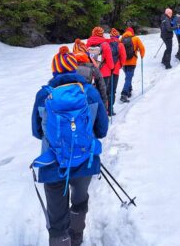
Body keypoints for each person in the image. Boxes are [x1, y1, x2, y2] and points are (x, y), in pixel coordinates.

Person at [31, 48, 109, 246]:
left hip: (54, 163)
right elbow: (101, 130)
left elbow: (37, 132)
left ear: (54, 72)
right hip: (85, 161)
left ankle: (61, 239)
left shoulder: (44, 95)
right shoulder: (89, 92)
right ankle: (77, 237)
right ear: (74, 68)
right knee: (80, 200)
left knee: (57, 218)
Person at [85, 27, 115, 115]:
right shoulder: (105, 44)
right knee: (104, 93)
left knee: (94, 93)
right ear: (102, 34)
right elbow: (109, 59)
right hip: (105, 73)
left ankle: (93, 112)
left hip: (92, 72)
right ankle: (105, 112)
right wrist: (112, 68)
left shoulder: (88, 43)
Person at [73, 39, 107, 105]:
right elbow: (101, 87)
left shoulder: (67, 67)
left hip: (72, 104)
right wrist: (104, 104)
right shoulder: (92, 66)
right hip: (90, 101)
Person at [120, 27, 145, 102]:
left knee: (128, 76)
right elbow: (142, 48)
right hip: (132, 61)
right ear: (132, 32)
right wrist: (142, 55)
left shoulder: (121, 39)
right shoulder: (136, 38)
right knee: (128, 77)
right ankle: (124, 94)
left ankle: (129, 90)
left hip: (123, 62)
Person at [107, 28, 126, 111]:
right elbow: (123, 57)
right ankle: (111, 109)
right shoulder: (120, 45)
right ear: (118, 36)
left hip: (107, 70)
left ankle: (106, 108)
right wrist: (120, 65)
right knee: (112, 90)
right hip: (115, 70)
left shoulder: (106, 43)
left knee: (107, 89)